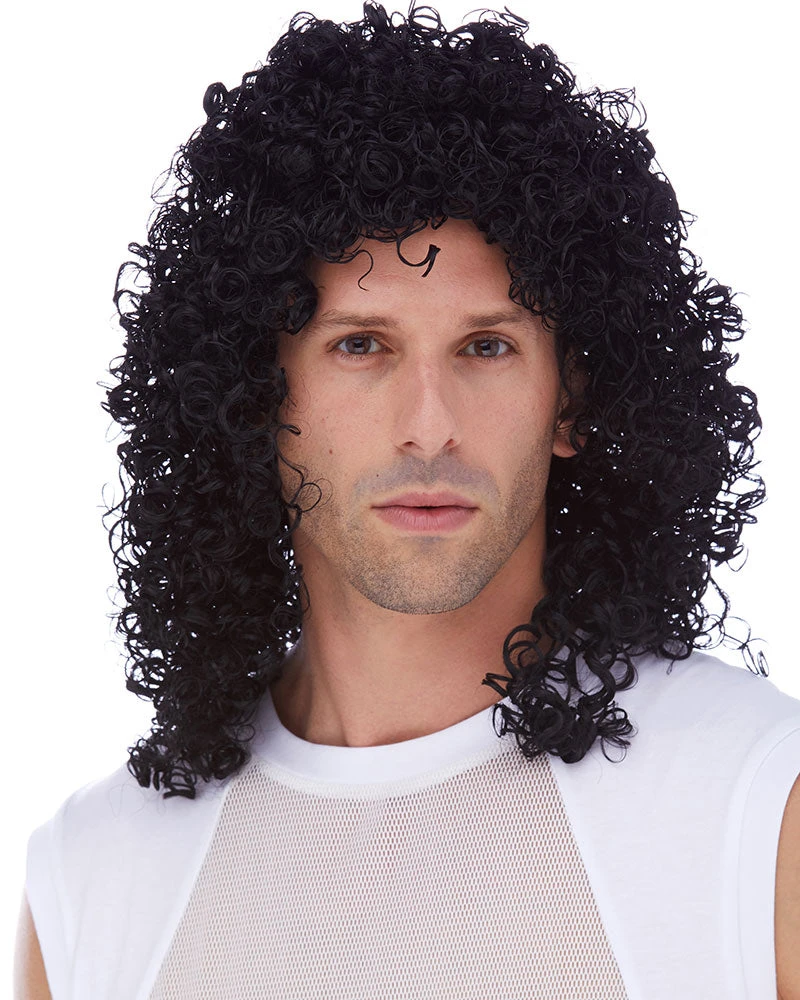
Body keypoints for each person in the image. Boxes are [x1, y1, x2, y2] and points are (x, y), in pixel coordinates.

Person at [14, 3, 800, 998]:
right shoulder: (94, 880)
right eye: (361, 345)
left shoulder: (755, 810)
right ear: (257, 396)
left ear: (571, 398)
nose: (429, 427)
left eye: (486, 346)